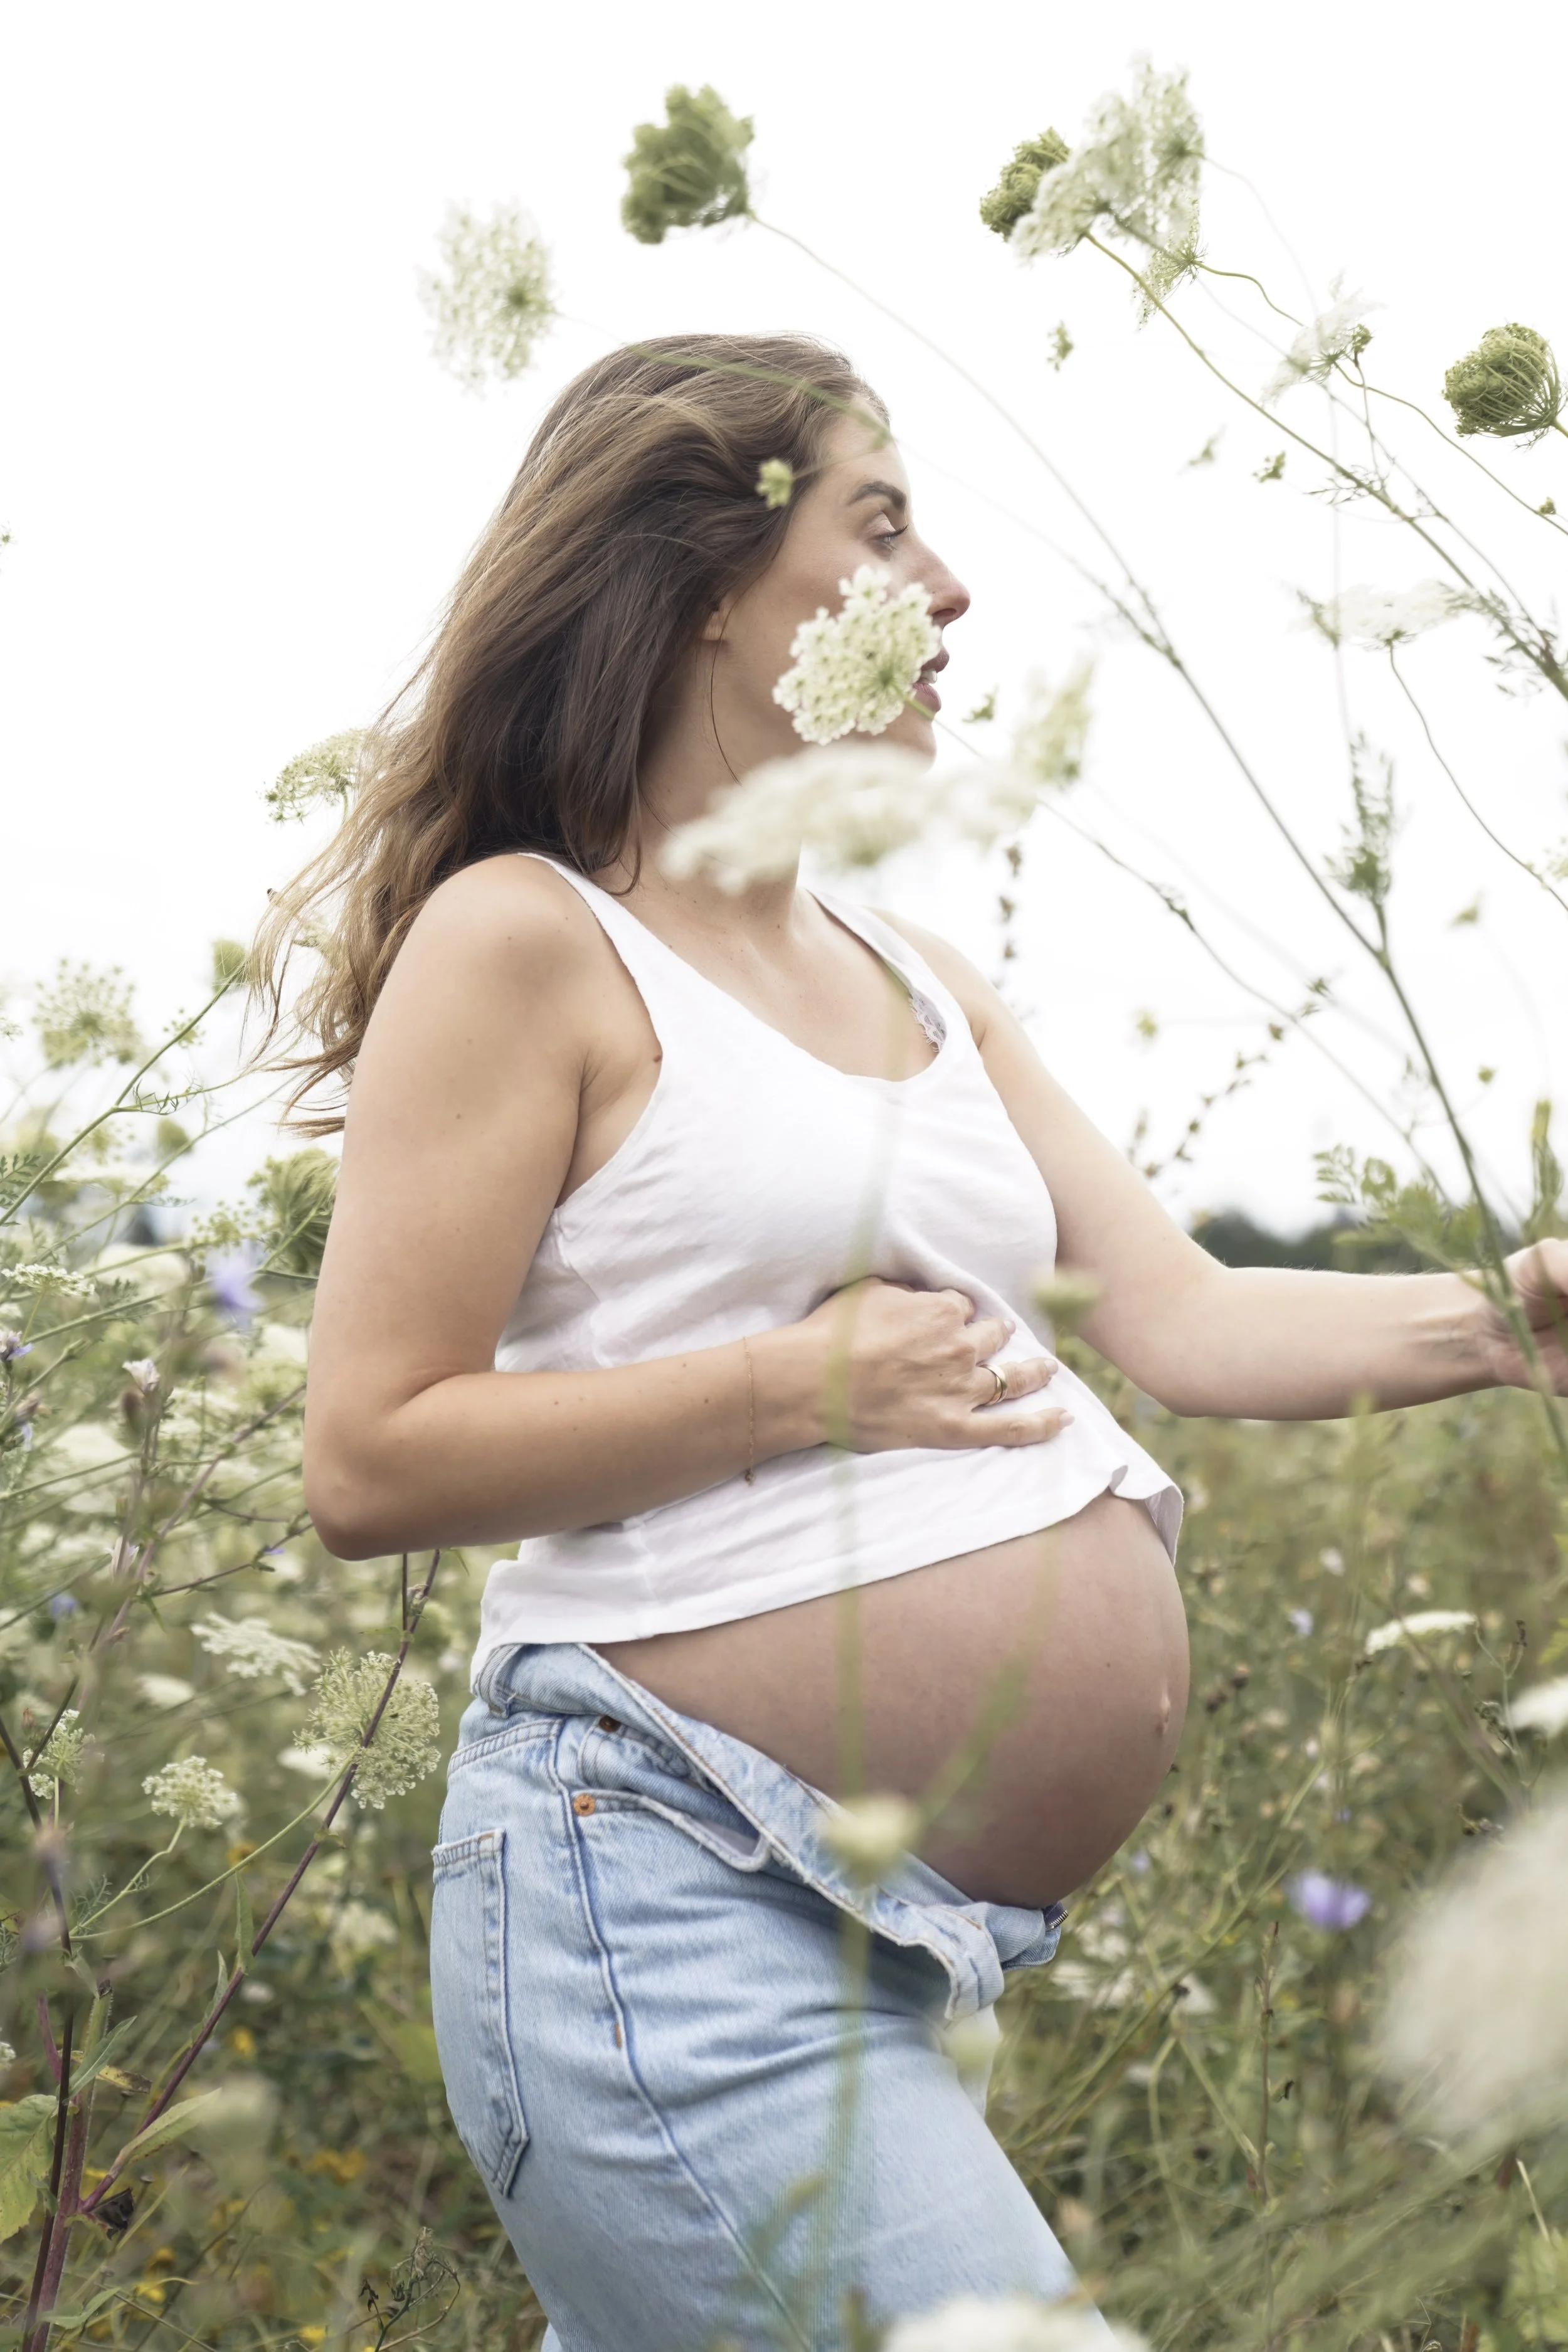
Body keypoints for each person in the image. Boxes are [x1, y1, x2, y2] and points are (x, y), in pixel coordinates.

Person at [265, 334, 1568, 2351]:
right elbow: (367, 1454)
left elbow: (1191, 1322)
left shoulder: (919, 974)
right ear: (706, 576)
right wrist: (789, 1386)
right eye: (882, 524)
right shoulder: (528, 939)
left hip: (888, 1947)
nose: (948, 587)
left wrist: (1512, 1325)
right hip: (663, 1889)